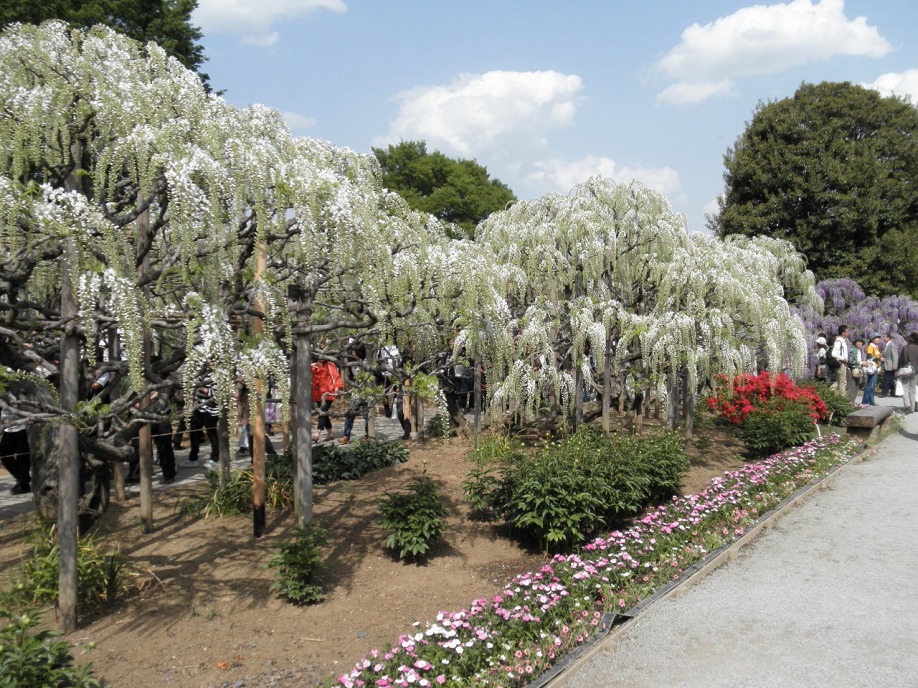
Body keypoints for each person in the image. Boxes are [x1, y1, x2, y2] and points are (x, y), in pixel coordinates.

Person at [184, 364, 220, 469]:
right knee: (194, 432)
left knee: (212, 434)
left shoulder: (217, 375)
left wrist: (201, 388)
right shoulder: (201, 374)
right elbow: (194, 393)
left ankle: (214, 458)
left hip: (211, 410)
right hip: (199, 409)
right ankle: (193, 458)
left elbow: (216, 393)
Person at [311, 358, 343, 443]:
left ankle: (317, 433)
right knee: (324, 413)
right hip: (318, 393)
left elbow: (335, 376)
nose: (320, 359)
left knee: (322, 411)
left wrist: (336, 388)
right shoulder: (314, 366)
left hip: (328, 392)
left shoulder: (330, 365)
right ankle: (330, 433)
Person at [0, 409, 30, 494]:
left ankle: (24, 484)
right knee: (4, 455)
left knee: (22, 455)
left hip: (22, 427)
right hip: (8, 428)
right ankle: (23, 478)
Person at [896, 332, 918, 414]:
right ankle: (912, 408)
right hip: (916, 371)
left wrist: (898, 369)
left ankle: (908, 406)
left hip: (907, 371)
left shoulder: (906, 348)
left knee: (905, 389)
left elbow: (902, 360)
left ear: (910, 340)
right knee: (913, 389)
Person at [861, 332, 882, 406]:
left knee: (873, 386)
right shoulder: (870, 346)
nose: (878, 339)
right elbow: (869, 357)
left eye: (878, 338)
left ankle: (871, 401)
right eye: (876, 338)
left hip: (876, 367)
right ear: (872, 339)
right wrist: (879, 359)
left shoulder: (876, 347)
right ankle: (865, 401)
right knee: (870, 385)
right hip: (872, 368)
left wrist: (880, 358)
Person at [829, 325, 850, 395]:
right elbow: (833, 353)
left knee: (838, 382)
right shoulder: (839, 342)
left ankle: (827, 393)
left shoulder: (843, 341)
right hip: (841, 364)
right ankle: (842, 398)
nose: (848, 333)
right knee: (842, 382)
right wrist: (844, 358)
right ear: (843, 333)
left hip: (843, 364)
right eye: (847, 331)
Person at [880, 333, 899, 397]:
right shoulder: (887, 345)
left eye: (884, 337)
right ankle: (895, 392)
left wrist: (895, 366)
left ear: (888, 338)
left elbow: (895, 356)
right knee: (890, 379)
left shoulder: (891, 345)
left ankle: (884, 393)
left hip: (890, 366)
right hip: (887, 365)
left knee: (887, 379)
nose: (883, 338)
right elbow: (885, 354)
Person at [848, 336, 865, 404]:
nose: (859, 343)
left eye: (861, 342)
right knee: (852, 387)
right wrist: (861, 363)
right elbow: (850, 361)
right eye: (858, 341)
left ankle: (853, 402)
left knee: (856, 386)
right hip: (852, 369)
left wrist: (863, 363)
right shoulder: (852, 350)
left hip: (857, 370)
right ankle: (850, 402)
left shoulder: (859, 350)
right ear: (855, 342)